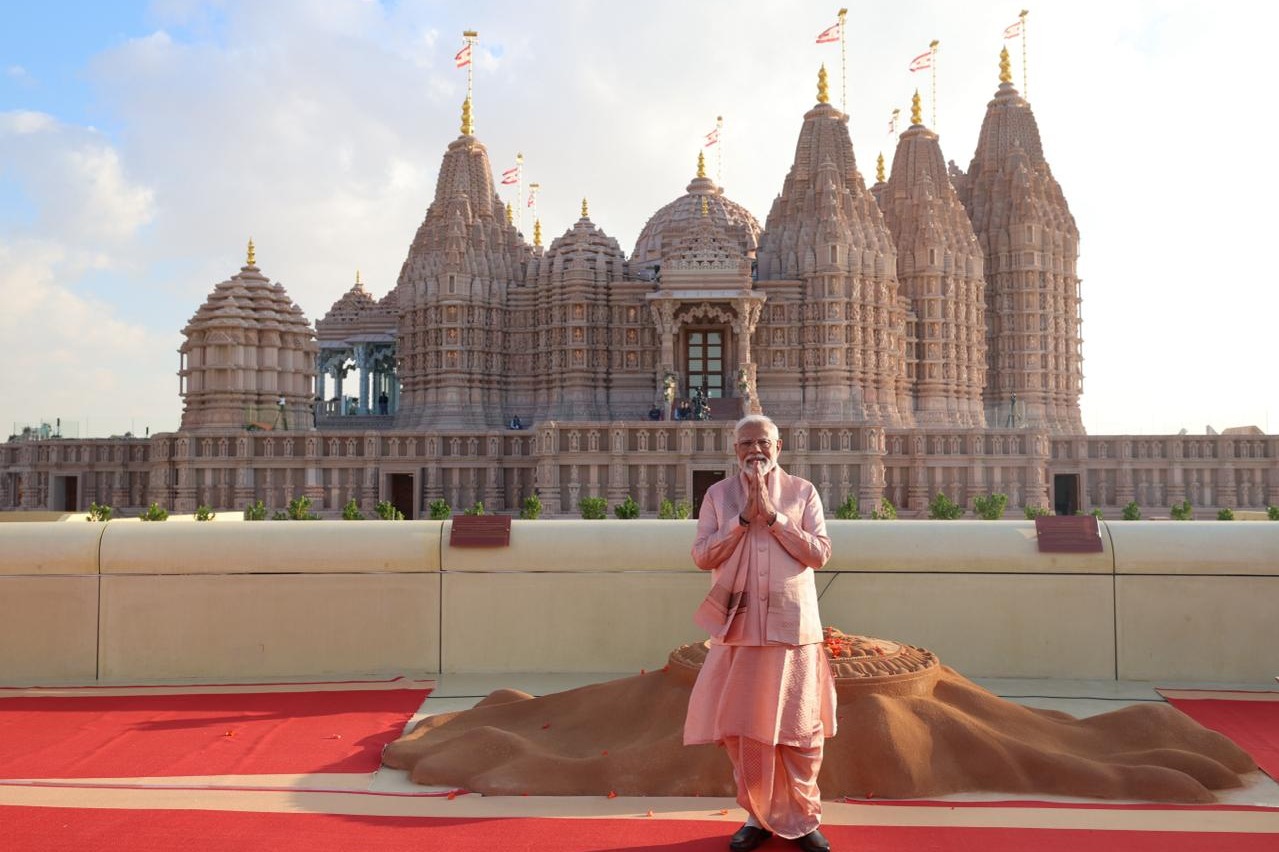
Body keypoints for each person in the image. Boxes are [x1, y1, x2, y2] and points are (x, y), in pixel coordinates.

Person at [684, 414, 835, 852]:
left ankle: (805, 820)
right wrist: (741, 522)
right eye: (747, 443)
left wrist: (773, 519)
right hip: (740, 628)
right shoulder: (718, 496)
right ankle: (758, 816)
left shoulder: (802, 492)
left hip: (794, 627)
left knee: (800, 731)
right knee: (745, 731)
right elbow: (700, 556)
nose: (756, 450)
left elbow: (820, 553)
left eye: (763, 442)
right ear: (735, 450)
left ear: (779, 446)